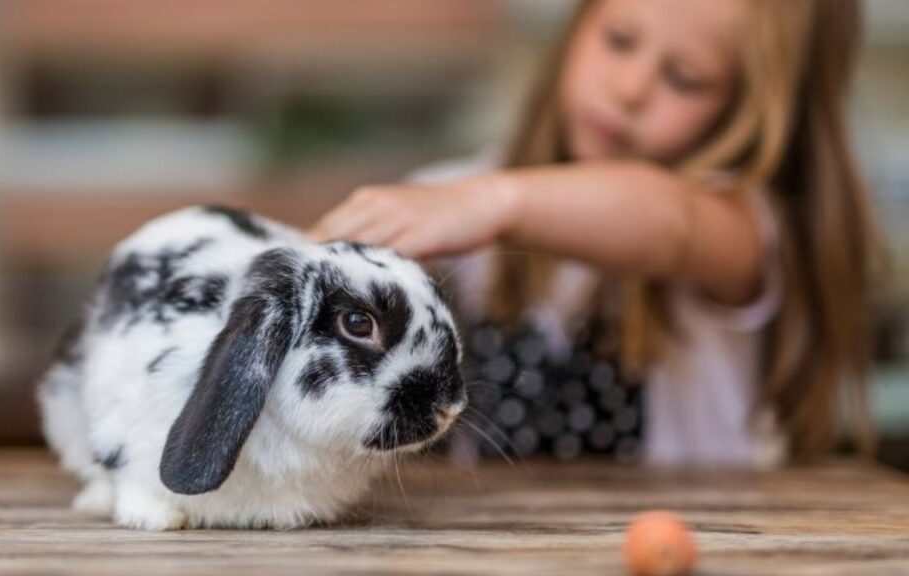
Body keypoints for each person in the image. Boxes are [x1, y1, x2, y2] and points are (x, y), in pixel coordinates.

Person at [310, 0, 881, 467]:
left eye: (685, 78)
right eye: (619, 40)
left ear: (748, 112)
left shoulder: (742, 227)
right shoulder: (456, 196)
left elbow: (670, 223)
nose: (631, 88)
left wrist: (495, 202)